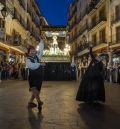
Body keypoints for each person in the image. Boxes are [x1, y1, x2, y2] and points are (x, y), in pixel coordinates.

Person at [26, 37, 44, 112]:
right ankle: (39, 101)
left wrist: (41, 41)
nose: (33, 52)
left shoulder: (37, 56)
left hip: (39, 76)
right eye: (31, 51)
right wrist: (39, 64)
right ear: (29, 52)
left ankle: (30, 102)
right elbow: (32, 66)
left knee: (37, 91)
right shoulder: (28, 59)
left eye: (34, 51)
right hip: (32, 76)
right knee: (34, 89)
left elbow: (41, 50)